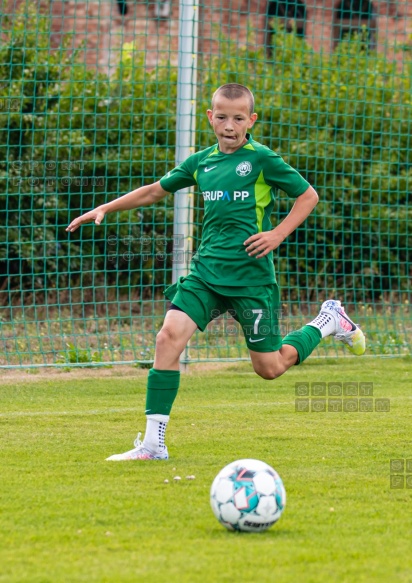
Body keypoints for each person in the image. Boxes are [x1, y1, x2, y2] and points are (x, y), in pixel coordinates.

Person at [66, 83, 365, 461]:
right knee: (167, 338)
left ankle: (327, 321)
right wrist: (105, 208)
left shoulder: (262, 159)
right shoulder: (201, 162)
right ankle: (154, 444)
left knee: (270, 368)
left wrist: (276, 234)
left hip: (251, 278)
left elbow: (308, 196)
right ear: (210, 117)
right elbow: (156, 190)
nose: (229, 125)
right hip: (206, 273)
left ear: (250, 120)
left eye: (238, 118)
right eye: (222, 116)